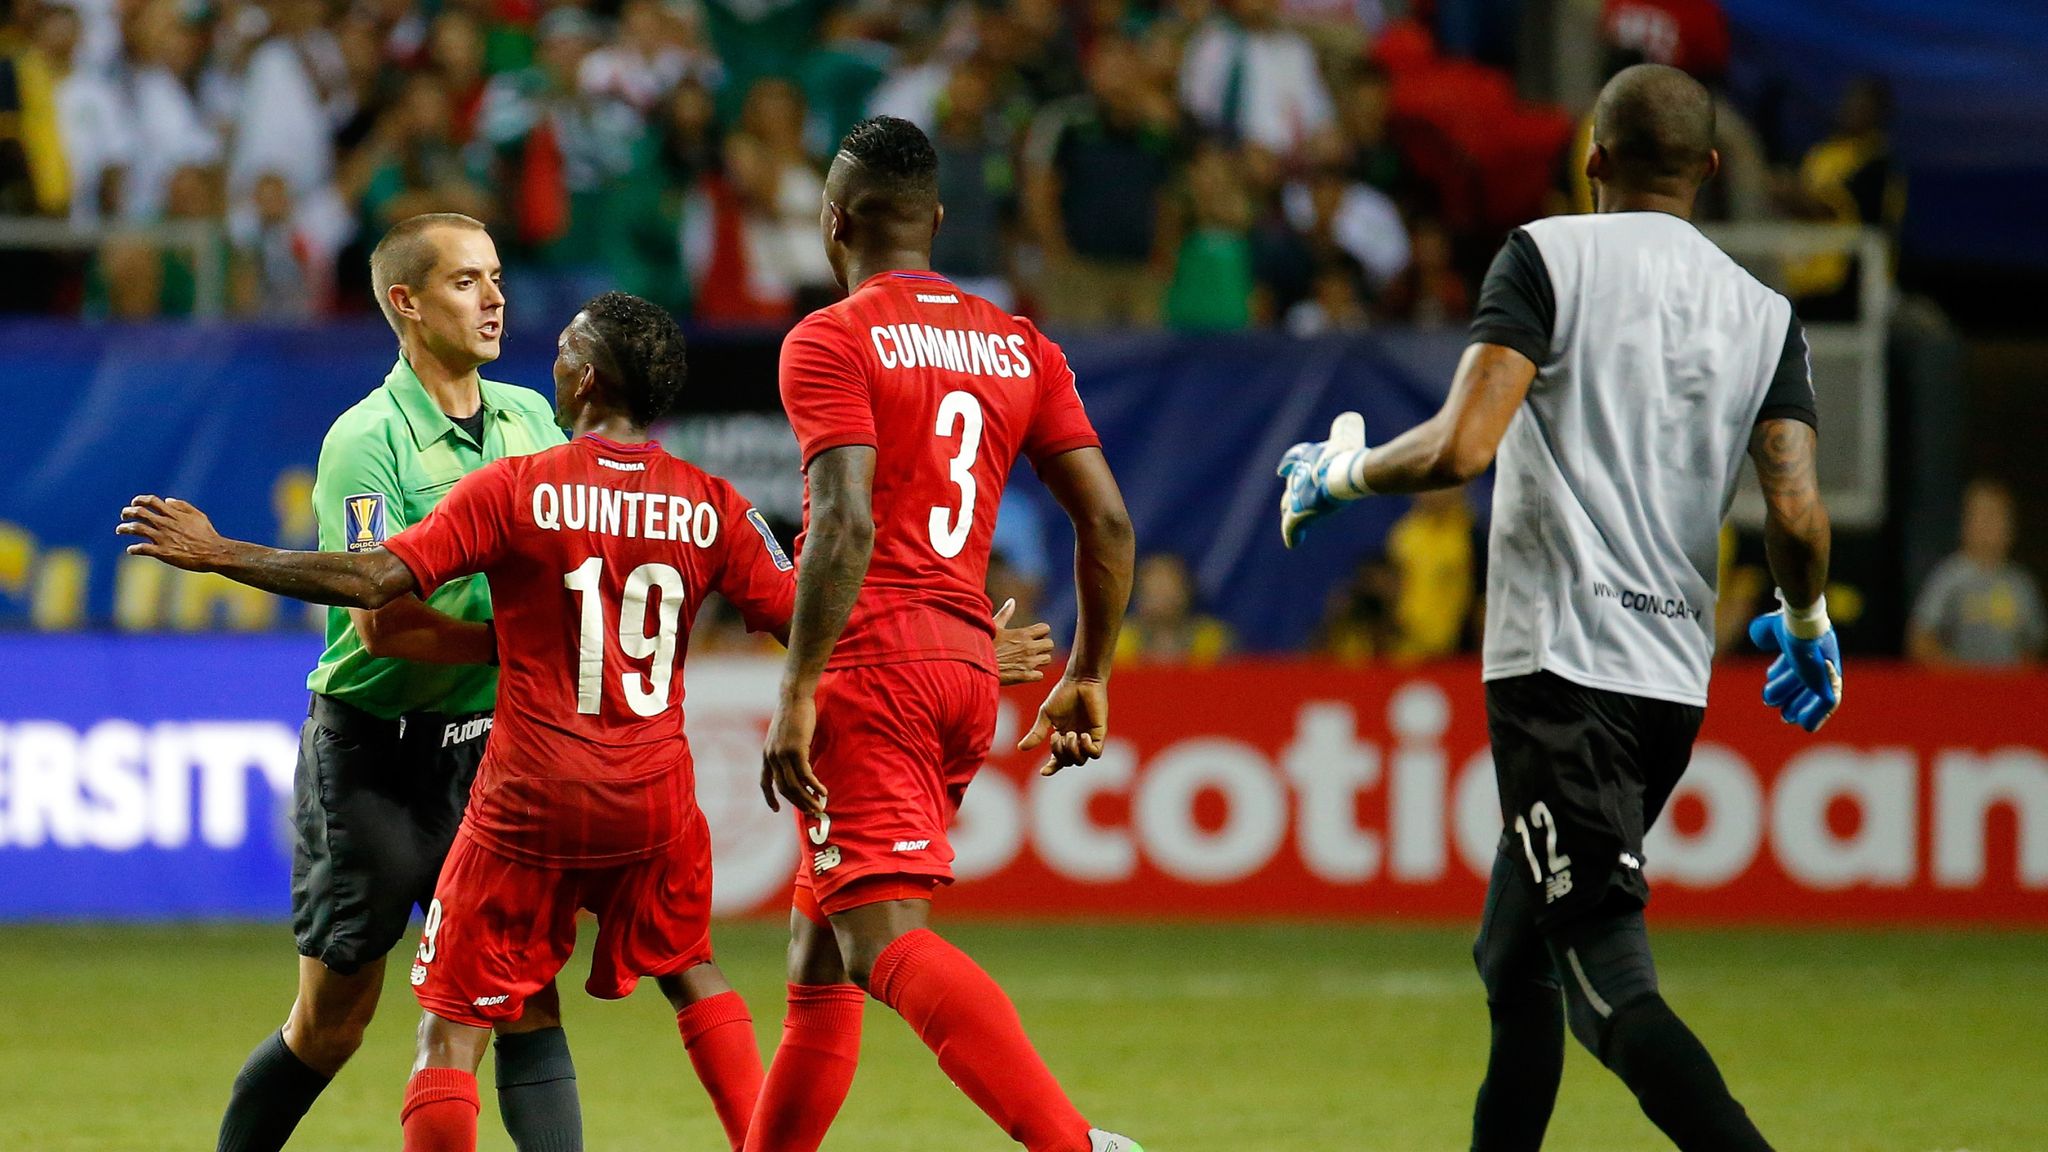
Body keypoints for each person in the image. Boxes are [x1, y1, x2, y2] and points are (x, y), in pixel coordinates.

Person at [119, 291, 1056, 1152]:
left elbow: (373, 583)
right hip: (652, 798)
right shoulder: (713, 503)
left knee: (451, 1026)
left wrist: (220, 552)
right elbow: (806, 613)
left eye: (565, 349)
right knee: (693, 972)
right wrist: (967, 641)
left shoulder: (518, 485)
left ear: (589, 379)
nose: (552, 360)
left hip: (527, 796)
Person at [1277, 65, 1840, 1151]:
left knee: (1600, 987)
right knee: (1512, 956)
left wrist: (1339, 471)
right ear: (1709, 173)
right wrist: (1807, 623)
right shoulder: (1763, 314)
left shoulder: (1548, 255)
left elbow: (1460, 444)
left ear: (1590, 158)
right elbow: (1798, 513)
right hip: (1668, 687)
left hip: (1559, 673)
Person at [750, 115, 1142, 1152]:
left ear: (834, 222)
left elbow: (842, 520)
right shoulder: (1019, 343)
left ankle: (1070, 1144)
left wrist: (796, 692)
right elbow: (1103, 520)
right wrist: (1090, 672)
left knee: (879, 942)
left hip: (868, 669)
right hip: (966, 666)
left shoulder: (829, 339)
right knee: (817, 951)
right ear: (935, 219)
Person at [197, 211, 607, 1152]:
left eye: (497, 276)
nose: (496, 297)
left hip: (490, 759)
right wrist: (523, 651)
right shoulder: (366, 440)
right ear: (406, 303)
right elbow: (381, 626)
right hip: (372, 760)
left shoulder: (531, 419)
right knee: (333, 1025)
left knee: (526, 998)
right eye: (467, 281)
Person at [1908, 479, 2044, 667]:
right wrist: (1956, 673)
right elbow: (1921, 639)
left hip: (2008, 690)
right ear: (1966, 523)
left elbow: (2034, 646)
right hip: (1961, 689)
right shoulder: (1949, 577)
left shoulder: (2021, 584)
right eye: (1981, 516)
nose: (1988, 526)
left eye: (1996, 516)